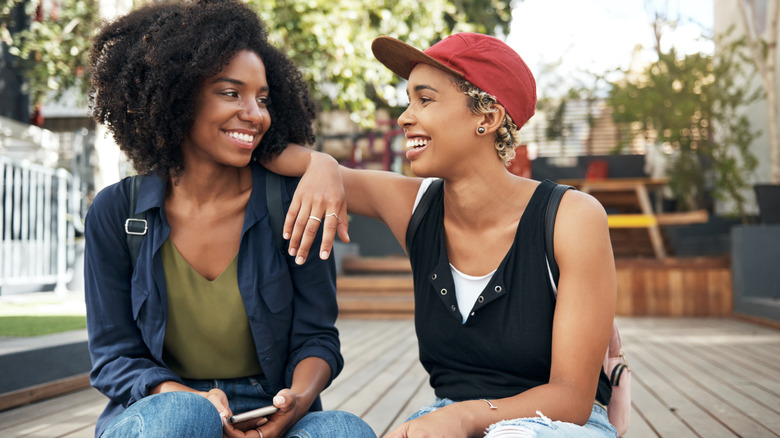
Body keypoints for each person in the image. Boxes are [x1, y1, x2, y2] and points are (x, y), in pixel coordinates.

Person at [266, 33, 618, 438]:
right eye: (408, 99)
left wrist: (464, 419)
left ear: (486, 118)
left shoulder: (570, 218)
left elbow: (572, 398)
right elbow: (266, 150)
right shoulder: (414, 205)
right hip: (447, 417)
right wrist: (324, 165)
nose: (404, 116)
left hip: (553, 425)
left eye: (425, 99)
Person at [83, 1, 376, 437]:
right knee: (188, 416)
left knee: (343, 430)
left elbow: (317, 339)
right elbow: (113, 356)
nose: (255, 114)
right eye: (230, 93)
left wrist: (294, 403)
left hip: (270, 406)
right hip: (162, 405)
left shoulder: (294, 204)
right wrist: (184, 396)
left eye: (262, 98)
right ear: (177, 96)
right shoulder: (117, 213)